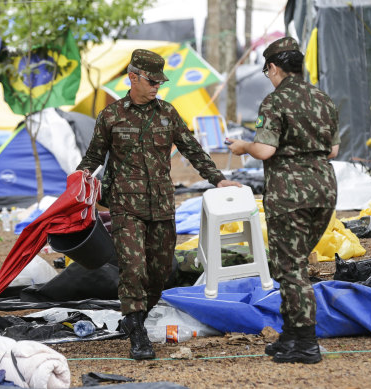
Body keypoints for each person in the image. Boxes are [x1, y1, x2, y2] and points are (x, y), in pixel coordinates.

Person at [76, 49, 241, 360]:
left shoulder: (167, 112)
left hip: (162, 204)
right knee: (133, 267)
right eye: (151, 81)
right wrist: (80, 178)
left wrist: (218, 179)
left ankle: (138, 312)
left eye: (159, 82)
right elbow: (94, 157)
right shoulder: (111, 116)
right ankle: (136, 328)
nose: (156, 87)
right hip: (126, 205)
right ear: (133, 78)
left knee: (161, 269)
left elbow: (192, 149)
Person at [226, 37, 340, 364]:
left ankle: (305, 342)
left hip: (290, 192)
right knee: (295, 264)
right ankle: (291, 335)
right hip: (324, 188)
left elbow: (265, 149)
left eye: (267, 71)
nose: (269, 76)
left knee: (291, 268)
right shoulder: (323, 98)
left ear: (274, 67)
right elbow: (333, 150)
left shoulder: (274, 101)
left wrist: (243, 146)